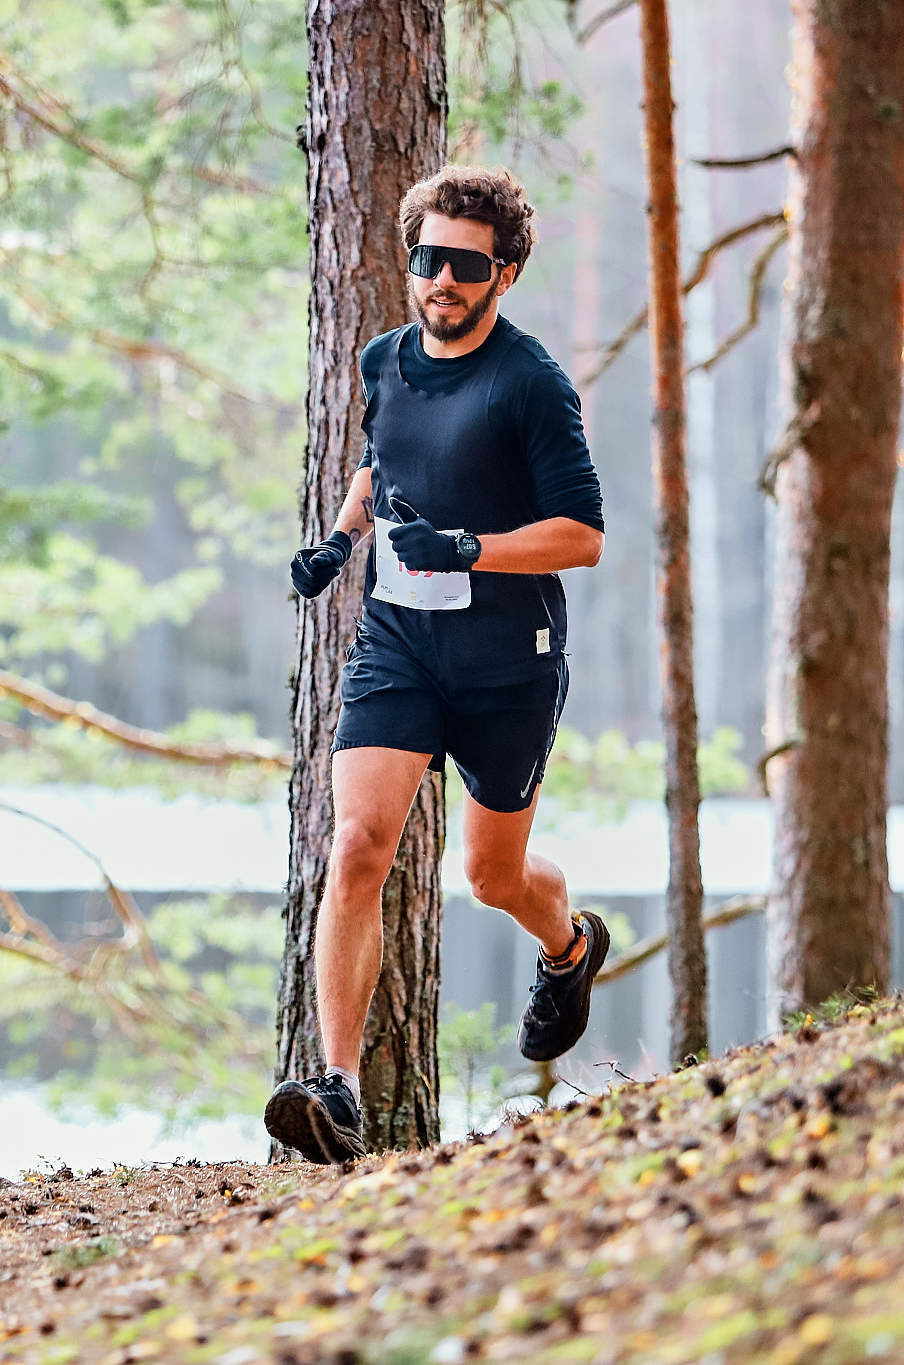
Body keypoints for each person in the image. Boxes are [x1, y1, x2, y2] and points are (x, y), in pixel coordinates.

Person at [264, 165, 608, 1165]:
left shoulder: (529, 382)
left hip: (507, 659)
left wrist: (471, 548)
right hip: (398, 644)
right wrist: (337, 541)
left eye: (465, 265)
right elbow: (383, 460)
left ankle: (569, 946)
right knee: (357, 844)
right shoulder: (383, 359)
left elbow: (582, 535)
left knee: (491, 875)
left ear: (501, 275)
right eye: (428, 260)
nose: (441, 281)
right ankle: (336, 1091)